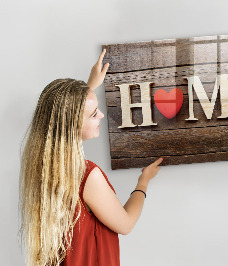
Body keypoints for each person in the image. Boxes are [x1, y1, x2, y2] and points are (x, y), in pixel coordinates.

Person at [19, 50, 163, 266]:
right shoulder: (87, 176)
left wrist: (89, 86)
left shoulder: (41, 165)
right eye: (94, 113)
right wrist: (143, 181)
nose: (101, 116)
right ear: (73, 124)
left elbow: (66, 113)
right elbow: (126, 224)